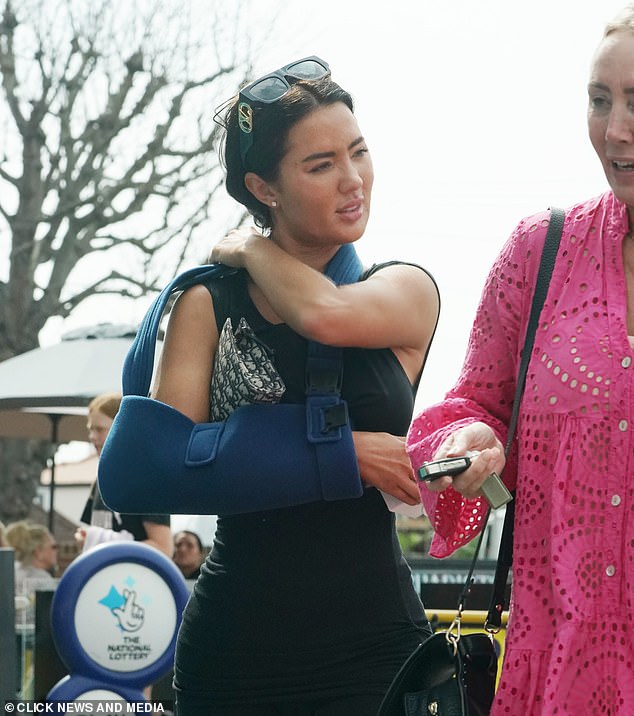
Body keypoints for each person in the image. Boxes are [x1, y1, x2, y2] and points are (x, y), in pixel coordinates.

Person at [151, 56, 440, 713]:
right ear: (265, 187)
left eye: (359, 152)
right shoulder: (207, 305)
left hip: (376, 650)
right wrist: (346, 455)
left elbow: (325, 317)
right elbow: (161, 470)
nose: (353, 179)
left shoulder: (404, 289)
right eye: (321, 165)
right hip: (233, 652)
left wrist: (253, 249)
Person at [406, 6, 634, 715]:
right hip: (557, 670)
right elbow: (476, 404)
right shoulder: (539, 254)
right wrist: (473, 438)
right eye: (602, 101)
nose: (617, 130)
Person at [77, 392, 172, 557]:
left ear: (122, 428)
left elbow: (164, 548)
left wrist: (109, 544)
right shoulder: (100, 481)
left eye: (99, 429)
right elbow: (90, 531)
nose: (92, 437)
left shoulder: (146, 480)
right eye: (90, 429)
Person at [5, 520, 57, 626]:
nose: (56, 551)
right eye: (53, 547)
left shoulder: (11, 571)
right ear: (39, 552)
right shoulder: (43, 581)